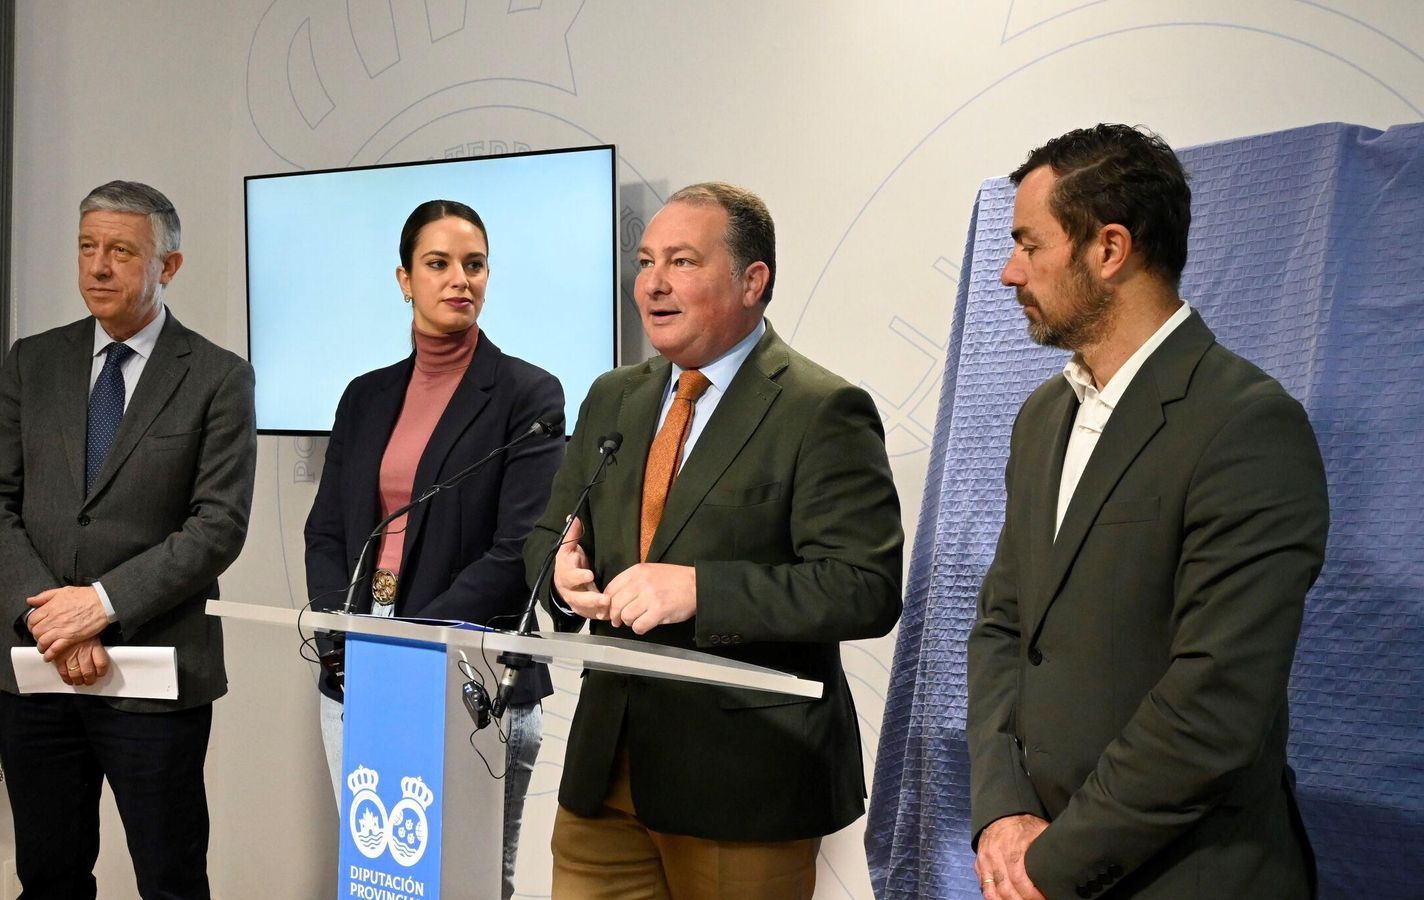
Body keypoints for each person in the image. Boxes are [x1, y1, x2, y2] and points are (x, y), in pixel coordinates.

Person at [966, 125, 1327, 900]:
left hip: (1188, 876)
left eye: (1030, 246)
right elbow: (1004, 625)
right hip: (1035, 863)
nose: (1007, 272)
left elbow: (1216, 702)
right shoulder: (1041, 419)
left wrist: (1054, 860)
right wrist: (1002, 812)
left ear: (1110, 249)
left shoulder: (1246, 423)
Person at [523, 182, 904, 899]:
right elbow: (551, 532)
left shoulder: (821, 409)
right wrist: (559, 572)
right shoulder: (613, 395)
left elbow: (864, 587)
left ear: (752, 280)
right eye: (646, 262)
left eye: (683, 262)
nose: (654, 285)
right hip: (607, 771)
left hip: (745, 784)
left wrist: (699, 589)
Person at [0, 180, 257, 899]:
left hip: (156, 674)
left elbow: (217, 525)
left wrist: (98, 606)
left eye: (122, 251)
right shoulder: (32, 362)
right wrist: (52, 619)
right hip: (39, 674)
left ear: (169, 267)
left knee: (170, 879)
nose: (98, 266)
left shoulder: (219, 377)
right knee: (49, 877)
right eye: (87, 247)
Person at [303, 199, 564, 899]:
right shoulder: (364, 396)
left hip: (472, 681)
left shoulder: (526, 394)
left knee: (475, 885)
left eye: (474, 265)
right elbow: (326, 529)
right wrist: (341, 636)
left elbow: (519, 552)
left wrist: (412, 648)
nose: (460, 279)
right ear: (404, 279)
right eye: (438, 264)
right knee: (379, 881)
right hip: (358, 672)